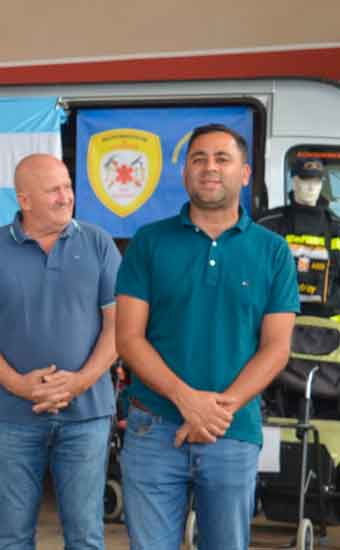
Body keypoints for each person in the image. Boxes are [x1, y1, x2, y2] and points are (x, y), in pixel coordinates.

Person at [116, 124, 299, 550]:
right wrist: (187, 400)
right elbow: (128, 338)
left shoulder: (273, 251)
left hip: (231, 430)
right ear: (185, 173)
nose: (209, 167)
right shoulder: (149, 242)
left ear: (245, 173)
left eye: (222, 158)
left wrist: (218, 410)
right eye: (198, 159)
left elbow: (276, 349)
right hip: (153, 429)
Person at [0, 154, 121, 550]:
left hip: (87, 415)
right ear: (25, 200)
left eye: (68, 187)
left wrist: (79, 382)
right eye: (54, 190)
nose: (66, 197)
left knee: (85, 535)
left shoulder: (98, 243)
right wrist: (18, 385)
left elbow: (120, 328)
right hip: (14, 415)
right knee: (14, 536)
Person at [258, 158, 340, 318]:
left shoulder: (336, 228)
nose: (311, 187)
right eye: (305, 180)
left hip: (328, 329)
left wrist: (327, 301)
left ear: (322, 184)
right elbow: (253, 276)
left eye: (316, 181)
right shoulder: (269, 224)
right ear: (294, 182)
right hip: (278, 321)